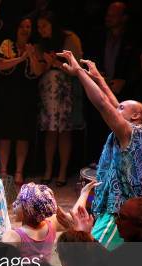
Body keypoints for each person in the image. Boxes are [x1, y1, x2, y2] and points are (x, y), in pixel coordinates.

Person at [58, 50, 142, 250]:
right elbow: (112, 103)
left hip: (119, 214)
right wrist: (98, 78)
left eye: (122, 108)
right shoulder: (130, 131)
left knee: (91, 258)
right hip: (111, 210)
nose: (116, 109)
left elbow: (104, 105)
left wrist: (80, 73)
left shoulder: (134, 135)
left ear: (136, 116)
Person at [0, 16, 44, 186]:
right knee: (5, 134)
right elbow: (0, 65)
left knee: (23, 136)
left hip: (26, 97)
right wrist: (21, 58)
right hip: (7, 95)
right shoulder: (7, 44)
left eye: (28, 26)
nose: (25, 29)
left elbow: (37, 72)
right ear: (16, 28)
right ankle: (3, 171)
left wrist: (31, 56)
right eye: (22, 26)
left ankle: (19, 172)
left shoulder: (36, 47)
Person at [36, 11, 84, 186]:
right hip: (48, 93)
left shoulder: (70, 38)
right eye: (38, 27)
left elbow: (77, 68)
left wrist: (55, 63)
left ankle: (62, 172)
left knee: (64, 132)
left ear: (53, 25)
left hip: (66, 91)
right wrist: (46, 63)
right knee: (50, 132)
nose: (41, 30)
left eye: (44, 26)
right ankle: (48, 170)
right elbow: (38, 70)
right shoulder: (41, 43)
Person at [2, 182, 58, 262]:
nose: (14, 204)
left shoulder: (14, 236)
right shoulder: (51, 225)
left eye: (18, 202)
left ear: (27, 210)